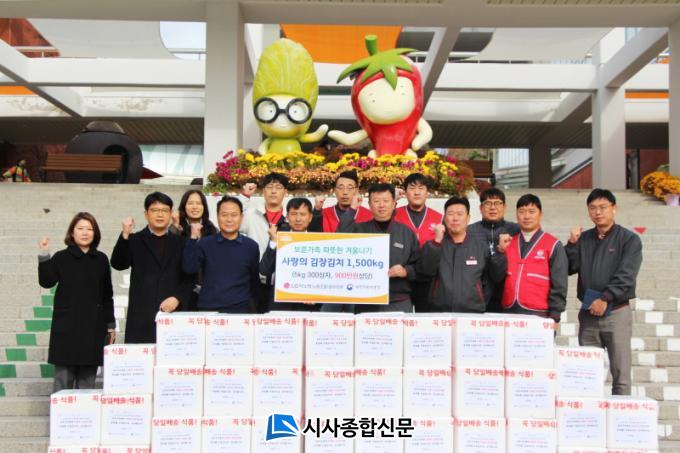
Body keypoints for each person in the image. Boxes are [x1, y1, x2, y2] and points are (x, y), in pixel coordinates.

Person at [565, 188, 642, 396]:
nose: (598, 212)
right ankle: (591, 414)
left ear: (614, 208)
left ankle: (620, 412)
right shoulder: (584, 239)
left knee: (621, 374)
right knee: (588, 374)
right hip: (589, 314)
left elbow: (626, 275)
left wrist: (605, 298)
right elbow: (568, 267)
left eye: (603, 207)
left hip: (616, 313)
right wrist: (571, 244)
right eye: (593, 208)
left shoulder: (629, 240)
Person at [38, 212, 115, 391]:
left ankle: (84, 411)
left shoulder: (101, 259)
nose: (85, 232)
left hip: (93, 327)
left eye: (89, 229)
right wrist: (44, 254)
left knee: (87, 384)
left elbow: (107, 295)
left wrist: (110, 325)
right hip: (67, 327)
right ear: (72, 233)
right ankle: (60, 410)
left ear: (95, 233)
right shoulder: (61, 257)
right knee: (62, 383)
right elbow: (47, 281)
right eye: (80, 228)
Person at [111, 192, 192, 343]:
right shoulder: (135, 240)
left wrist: (178, 298)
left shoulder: (181, 242)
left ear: (171, 214)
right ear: (146, 214)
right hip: (142, 316)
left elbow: (189, 276)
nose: (160, 215)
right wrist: (125, 235)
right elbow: (118, 264)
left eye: (164, 210)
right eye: (155, 210)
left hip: (172, 313)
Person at [335, 183, 420, 313]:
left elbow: (419, 266)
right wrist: (352, 209)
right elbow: (340, 239)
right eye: (376, 201)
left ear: (394, 204)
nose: (381, 205)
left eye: (386, 201)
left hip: (398, 300)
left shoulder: (406, 232)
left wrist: (406, 271)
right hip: (366, 299)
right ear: (369, 205)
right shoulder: (359, 230)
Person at [417, 197, 506, 313]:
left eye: (460, 214)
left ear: (468, 218)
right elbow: (425, 271)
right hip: (439, 312)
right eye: (451, 214)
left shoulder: (480, 247)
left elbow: (492, 278)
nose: (455, 218)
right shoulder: (434, 245)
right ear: (445, 218)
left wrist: (480, 301)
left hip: (472, 313)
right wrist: (437, 242)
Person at [183, 196, 260, 313]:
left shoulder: (251, 246)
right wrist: (193, 238)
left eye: (234, 215)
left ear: (241, 217)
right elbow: (189, 268)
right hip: (208, 309)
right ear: (217, 217)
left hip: (240, 310)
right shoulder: (205, 243)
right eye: (224, 215)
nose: (229, 219)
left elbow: (254, 281)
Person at [499, 194, 568, 323]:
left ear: (540, 215)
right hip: (509, 311)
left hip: (540, 313)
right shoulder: (508, 242)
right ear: (516, 215)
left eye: (532, 212)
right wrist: (500, 251)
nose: (526, 216)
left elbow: (560, 283)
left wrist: (555, 315)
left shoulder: (553, 244)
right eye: (522, 212)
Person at [240, 172, 291, 313]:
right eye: (269, 187)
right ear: (263, 191)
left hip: (282, 284)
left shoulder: (291, 218)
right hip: (254, 282)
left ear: (285, 192)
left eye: (278, 187)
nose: (273, 191)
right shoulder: (251, 214)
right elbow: (232, 219)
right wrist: (245, 196)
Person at [260, 197, 322, 312]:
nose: (298, 219)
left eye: (302, 214)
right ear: (287, 217)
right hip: (280, 305)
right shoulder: (278, 238)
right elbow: (264, 270)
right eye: (293, 214)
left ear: (310, 217)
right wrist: (273, 242)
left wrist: (317, 294)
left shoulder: (319, 242)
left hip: (308, 304)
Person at [393, 173, 443, 311]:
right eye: (412, 188)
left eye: (421, 188)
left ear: (427, 193)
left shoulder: (439, 218)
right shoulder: (394, 214)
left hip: (427, 279)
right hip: (400, 277)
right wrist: (393, 200)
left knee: (425, 319)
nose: (416, 192)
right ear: (405, 192)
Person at [468, 187, 520, 312]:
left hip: (508, 293)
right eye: (488, 203)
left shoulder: (516, 230)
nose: (493, 207)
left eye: (497, 203)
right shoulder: (469, 231)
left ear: (504, 207)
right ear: (480, 208)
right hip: (477, 295)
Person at [170, 189, 218, 310]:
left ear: (204, 207)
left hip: (208, 291)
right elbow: (169, 250)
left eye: (198, 203)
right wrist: (175, 226)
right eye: (190, 203)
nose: (195, 207)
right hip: (181, 290)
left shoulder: (212, 230)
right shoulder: (177, 228)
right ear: (184, 206)